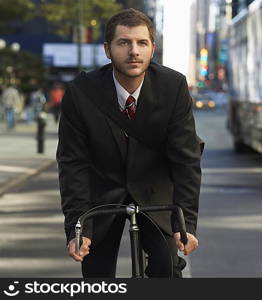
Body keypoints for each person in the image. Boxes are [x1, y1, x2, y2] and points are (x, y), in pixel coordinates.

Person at [57, 8, 202, 278]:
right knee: (96, 275)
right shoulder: (81, 92)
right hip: (100, 196)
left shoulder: (173, 87)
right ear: (107, 49)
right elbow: (72, 164)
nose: (133, 51)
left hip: (155, 191)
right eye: (123, 43)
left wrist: (186, 224)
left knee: (167, 268)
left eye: (141, 43)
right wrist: (77, 228)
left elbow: (186, 160)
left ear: (152, 48)